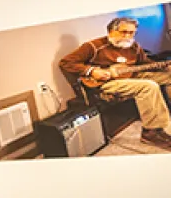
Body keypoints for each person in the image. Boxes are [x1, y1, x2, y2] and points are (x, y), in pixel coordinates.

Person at [58, 17, 171, 150]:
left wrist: (164, 66)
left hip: (131, 75)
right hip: (106, 82)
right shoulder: (93, 46)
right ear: (111, 31)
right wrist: (91, 70)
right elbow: (66, 63)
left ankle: (164, 115)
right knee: (148, 86)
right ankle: (151, 132)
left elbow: (144, 64)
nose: (128, 36)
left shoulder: (133, 46)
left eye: (131, 33)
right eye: (124, 32)